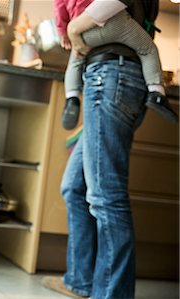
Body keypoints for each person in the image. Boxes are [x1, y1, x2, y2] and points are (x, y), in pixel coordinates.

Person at [41, 0, 164, 298]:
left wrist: (73, 26)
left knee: (105, 196)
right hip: (112, 75)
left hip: (113, 75)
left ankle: (111, 293)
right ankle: (80, 281)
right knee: (75, 186)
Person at [54, 0, 179, 130]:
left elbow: (59, 6)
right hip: (111, 20)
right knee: (147, 49)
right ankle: (156, 93)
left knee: (76, 60)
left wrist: (63, 30)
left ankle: (71, 98)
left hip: (83, 29)